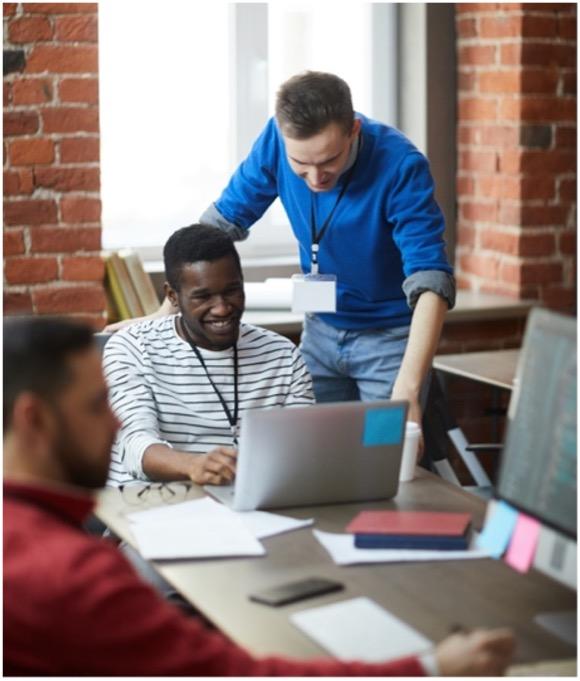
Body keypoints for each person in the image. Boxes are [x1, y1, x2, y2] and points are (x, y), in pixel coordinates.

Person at [4, 315, 516, 676]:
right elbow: (240, 674)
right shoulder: (70, 577)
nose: (115, 421)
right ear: (35, 419)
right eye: (97, 405)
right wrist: (431, 667)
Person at [107, 71, 455, 444]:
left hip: (390, 340)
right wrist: (164, 313)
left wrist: (409, 383)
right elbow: (216, 230)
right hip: (321, 329)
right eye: (300, 165)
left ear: (353, 130)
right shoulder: (275, 139)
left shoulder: (400, 164)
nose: (316, 178)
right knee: (304, 449)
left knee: (386, 454)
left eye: (329, 161)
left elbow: (430, 278)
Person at [104, 224, 314, 488]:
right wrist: (194, 465)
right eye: (203, 297)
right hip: (155, 503)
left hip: (250, 501)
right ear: (173, 297)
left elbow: (303, 450)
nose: (222, 308)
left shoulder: (283, 356)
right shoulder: (132, 347)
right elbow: (135, 446)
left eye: (232, 291)